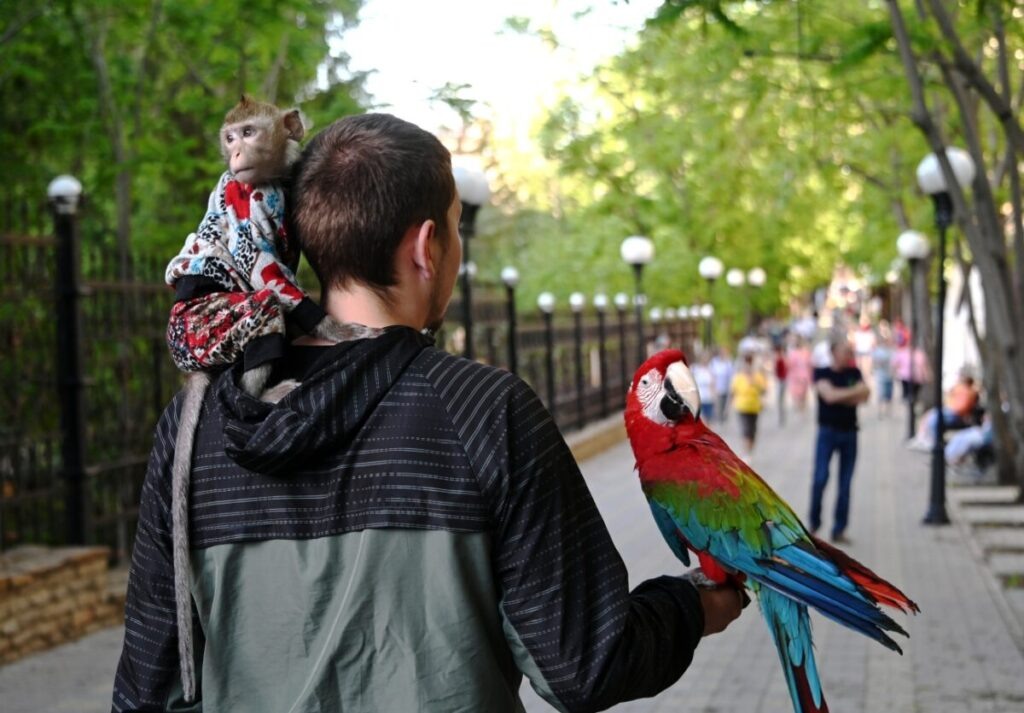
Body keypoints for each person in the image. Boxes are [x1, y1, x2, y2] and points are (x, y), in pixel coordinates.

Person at [111, 114, 742, 713]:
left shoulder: (195, 424)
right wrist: (692, 605)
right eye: (455, 228)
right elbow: (584, 665)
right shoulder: (484, 411)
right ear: (426, 246)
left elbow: (149, 685)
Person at [808, 339, 870, 544]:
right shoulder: (822, 372)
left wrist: (840, 395)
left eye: (850, 352)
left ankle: (839, 529)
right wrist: (852, 394)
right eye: (845, 351)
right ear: (833, 352)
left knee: (845, 484)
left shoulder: (855, 373)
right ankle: (814, 523)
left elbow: (866, 394)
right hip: (827, 432)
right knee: (820, 478)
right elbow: (830, 397)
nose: (849, 356)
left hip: (850, 433)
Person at [908, 372, 980, 450]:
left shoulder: (969, 392)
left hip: (955, 414)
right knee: (930, 416)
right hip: (952, 412)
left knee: (934, 418)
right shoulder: (962, 389)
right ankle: (923, 438)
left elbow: (961, 406)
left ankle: (931, 440)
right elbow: (951, 398)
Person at [730, 352, 767, 459]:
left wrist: (754, 382)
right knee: (745, 430)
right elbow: (733, 391)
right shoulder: (738, 377)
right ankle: (746, 452)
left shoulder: (758, 376)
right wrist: (730, 405)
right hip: (742, 407)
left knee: (752, 431)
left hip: (754, 407)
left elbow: (763, 391)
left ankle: (750, 450)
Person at [871, 332, 895, 419]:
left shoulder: (892, 351)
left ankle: (888, 411)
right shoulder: (878, 351)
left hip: (889, 376)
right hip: (881, 376)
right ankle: (880, 412)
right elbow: (875, 362)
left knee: (889, 395)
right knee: (881, 395)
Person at [786, 337, 813, 413]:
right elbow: (810, 364)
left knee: (797, 394)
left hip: (796, 377)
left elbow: (789, 365)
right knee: (803, 394)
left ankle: (800, 408)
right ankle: (802, 408)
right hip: (804, 376)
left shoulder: (793, 353)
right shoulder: (806, 352)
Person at [709, 346, 734, 425]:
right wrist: (712, 388)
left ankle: (723, 420)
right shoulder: (714, 362)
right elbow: (712, 375)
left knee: (724, 405)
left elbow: (731, 376)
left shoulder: (728, 363)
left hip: (726, 388)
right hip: (717, 388)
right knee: (718, 405)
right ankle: (719, 420)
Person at [692, 350, 717, 423]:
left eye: (706, 358)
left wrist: (714, 397)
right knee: (702, 421)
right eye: (703, 358)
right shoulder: (695, 369)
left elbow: (713, 384)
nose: (704, 360)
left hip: (709, 399)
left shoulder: (711, 370)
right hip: (699, 400)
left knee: (708, 421)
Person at [773, 344, 787, 426]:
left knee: (779, 400)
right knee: (780, 400)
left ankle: (780, 417)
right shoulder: (781, 359)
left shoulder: (779, 359)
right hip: (782, 380)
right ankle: (781, 417)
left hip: (780, 380)